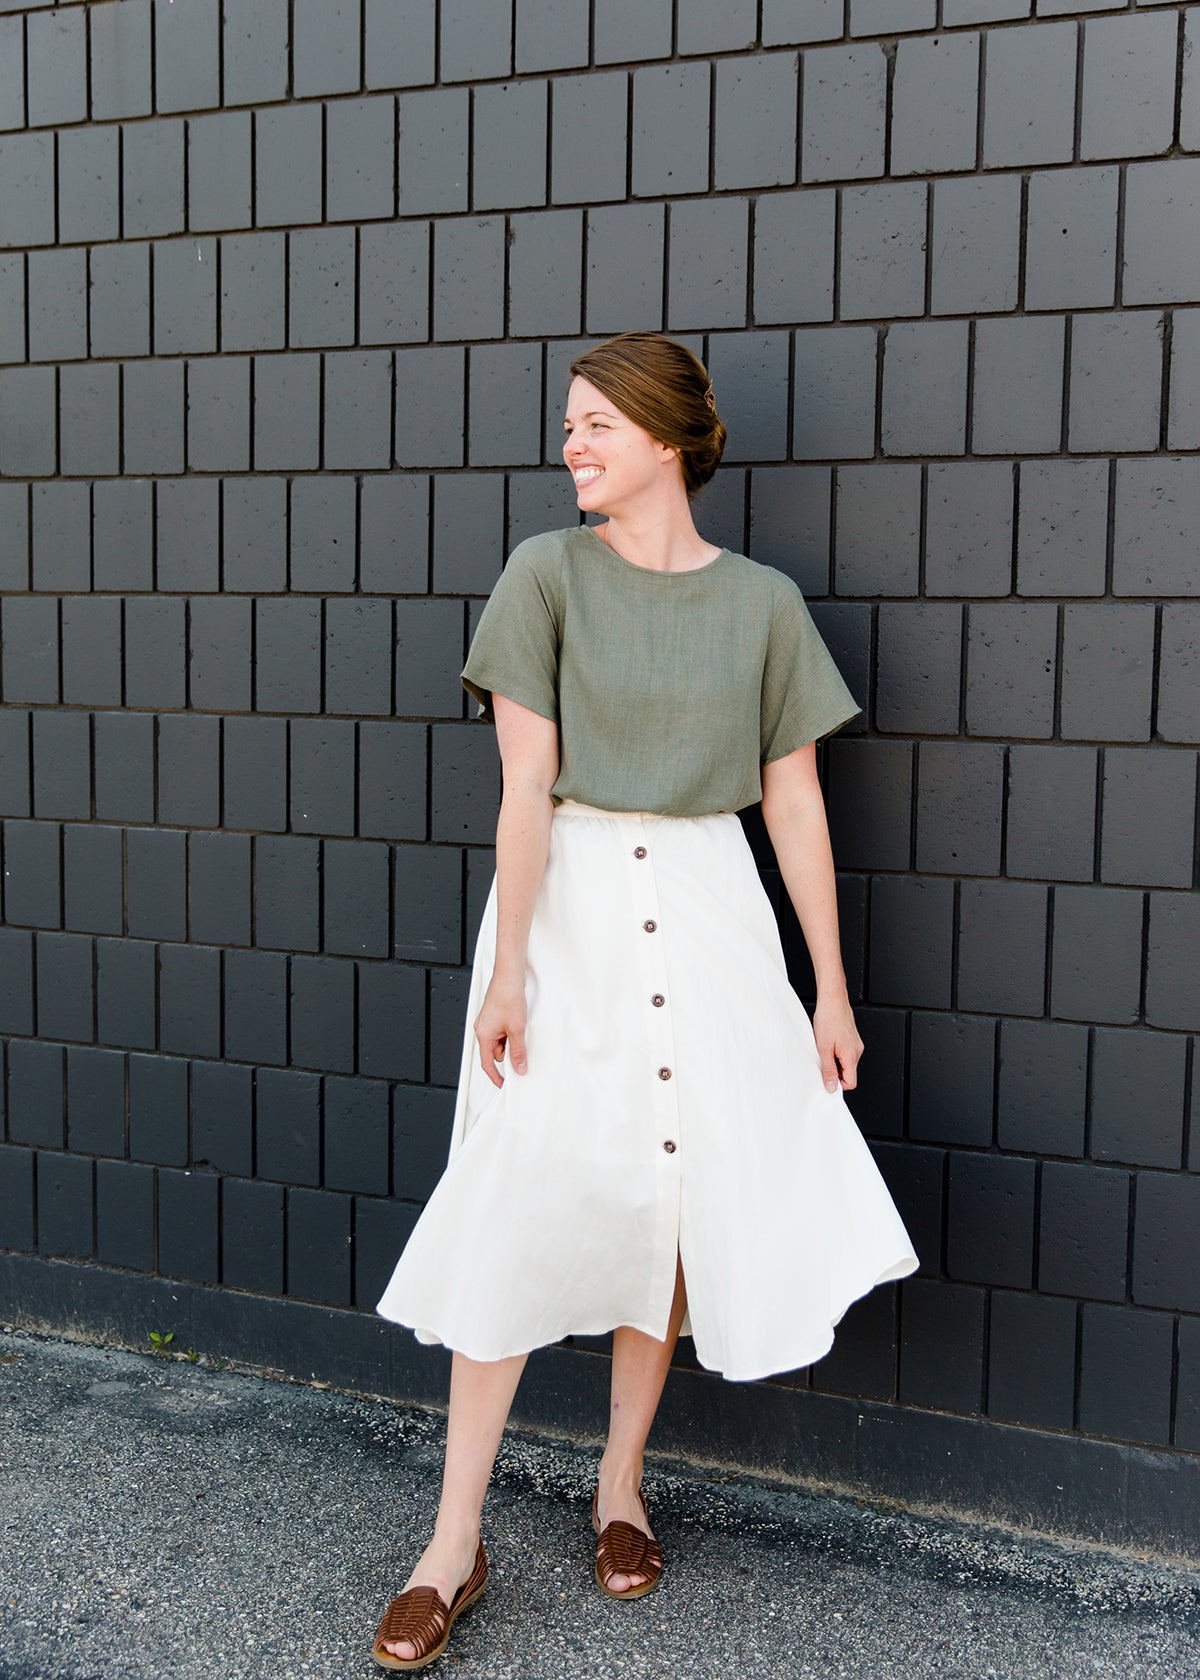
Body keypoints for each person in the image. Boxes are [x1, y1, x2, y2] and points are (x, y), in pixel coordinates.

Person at [370, 331, 918, 1669]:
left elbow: (793, 804)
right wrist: (510, 972)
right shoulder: (544, 575)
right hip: (570, 906)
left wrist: (829, 988)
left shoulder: (765, 607)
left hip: (715, 903)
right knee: (515, 1188)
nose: (572, 445)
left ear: (667, 440)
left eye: (596, 424)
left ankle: (619, 1487)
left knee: (669, 1197)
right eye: (569, 425)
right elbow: (523, 786)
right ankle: (454, 1542)